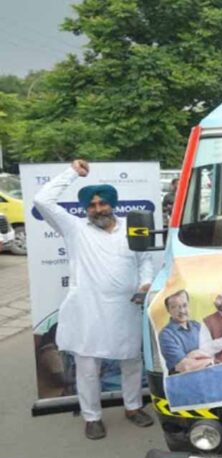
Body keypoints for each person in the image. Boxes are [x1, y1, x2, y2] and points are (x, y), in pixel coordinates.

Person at [32, 159, 154, 440]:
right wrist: (72, 172)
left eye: (102, 203)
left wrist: (145, 283)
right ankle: (92, 417)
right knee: (88, 367)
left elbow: (144, 260)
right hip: (88, 310)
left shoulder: (131, 228)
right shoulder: (75, 229)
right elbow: (42, 200)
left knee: (131, 361)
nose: (98, 209)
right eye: (92, 205)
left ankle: (133, 407)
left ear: (113, 204)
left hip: (125, 307)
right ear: (85, 209)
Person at [159, 289, 212, 374]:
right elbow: (185, 367)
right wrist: (211, 361)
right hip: (185, 380)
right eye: (175, 307)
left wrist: (191, 356)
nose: (182, 311)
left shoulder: (197, 326)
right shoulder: (166, 335)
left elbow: (213, 351)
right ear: (168, 310)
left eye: (184, 305)